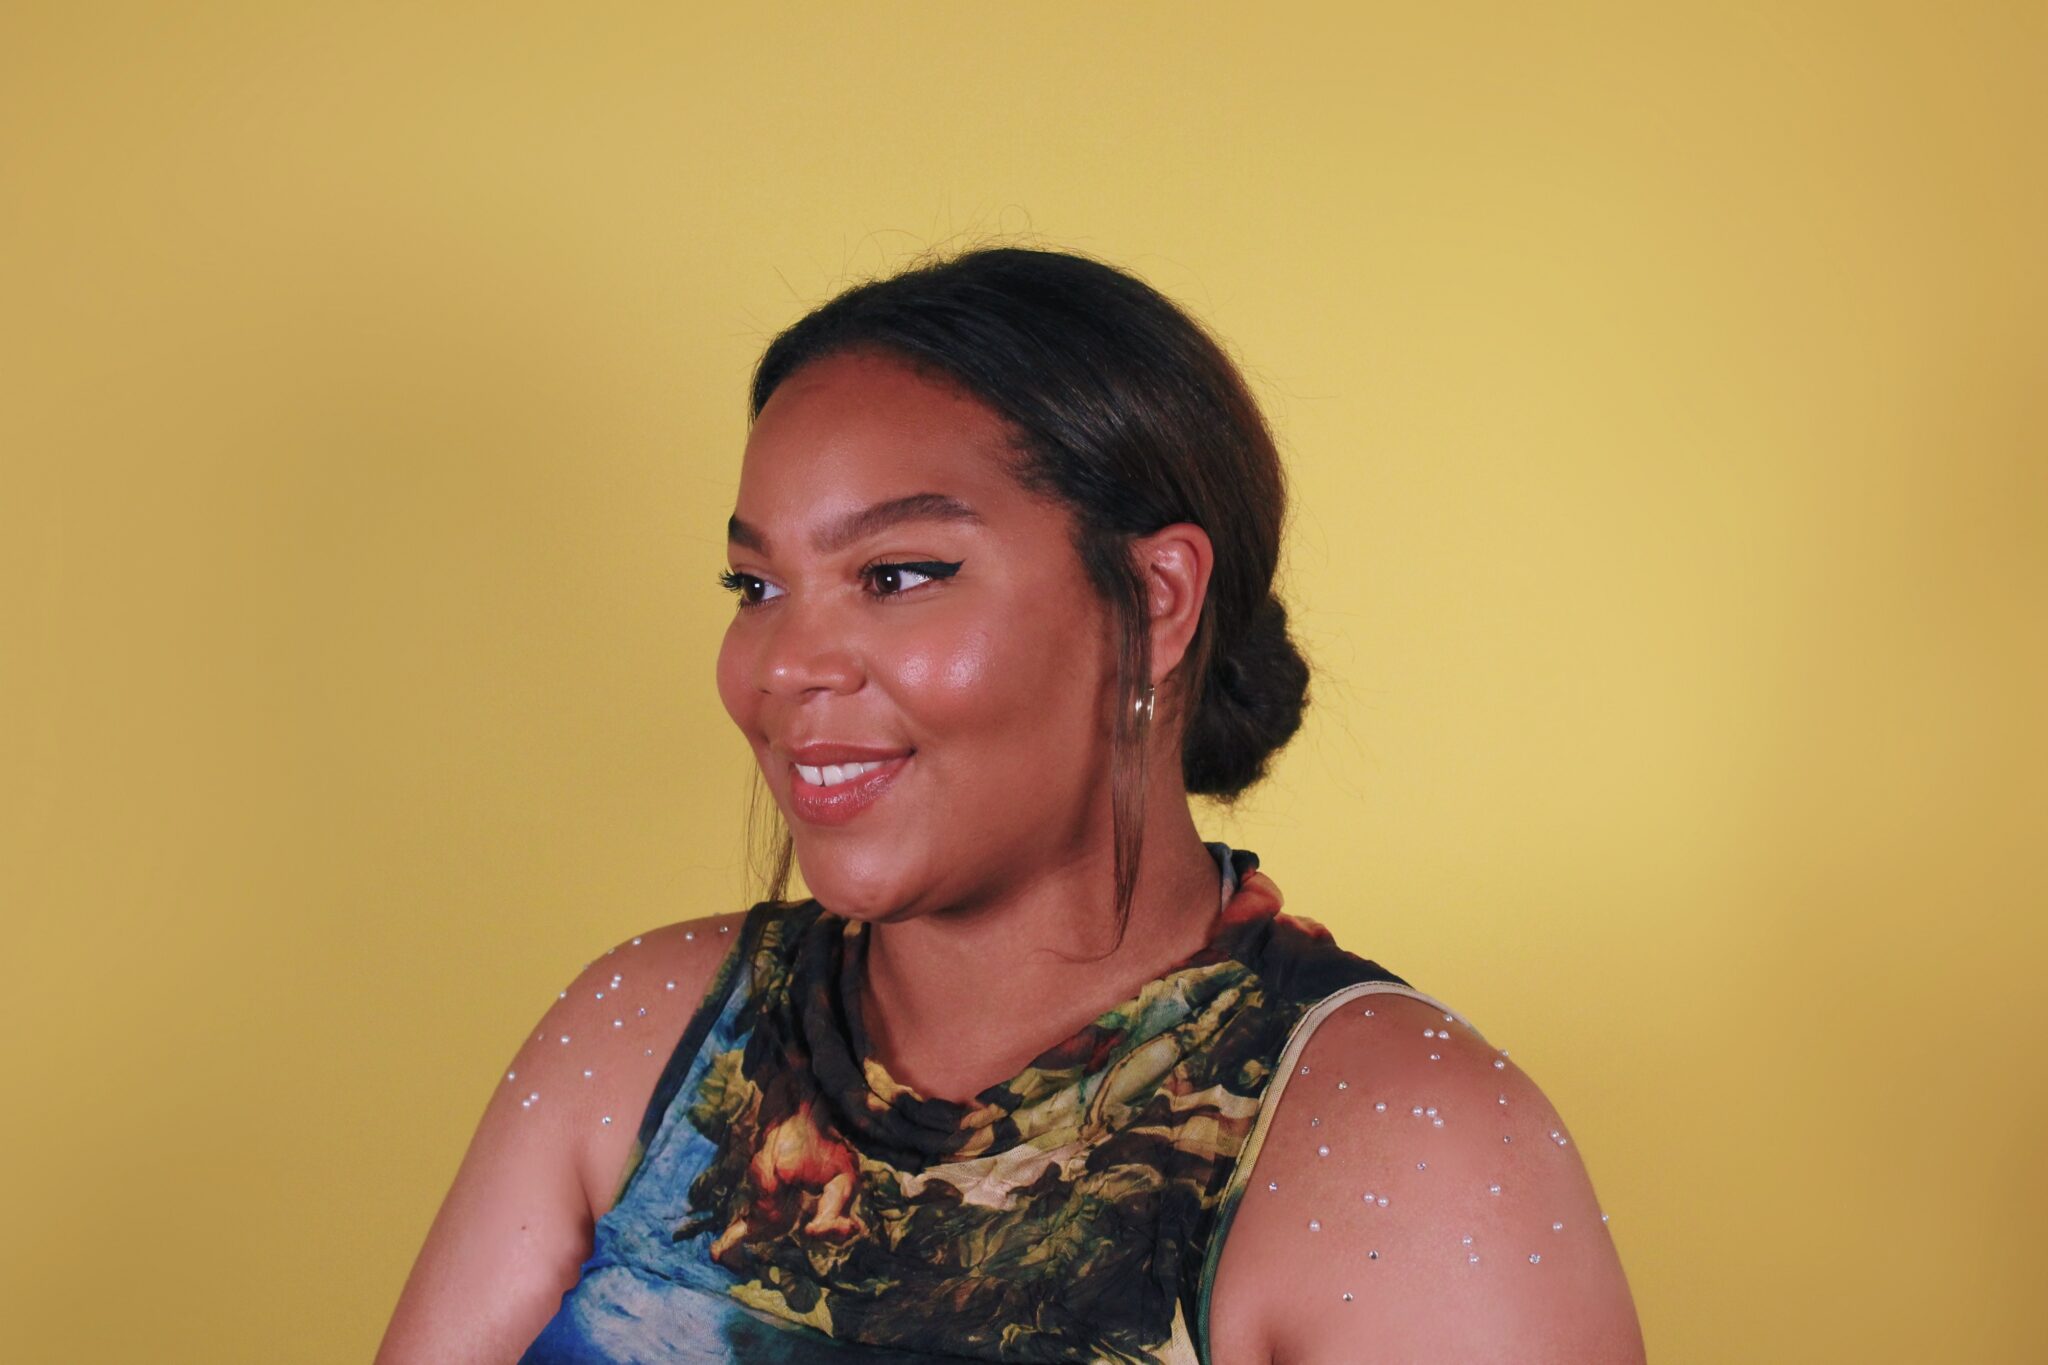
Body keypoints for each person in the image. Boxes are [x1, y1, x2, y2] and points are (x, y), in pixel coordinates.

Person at [376, 247, 1646, 1364]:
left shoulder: (1401, 1148)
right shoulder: (645, 1041)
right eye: (754, 587)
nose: (785, 665)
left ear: (1154, 600)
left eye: (897, 574)